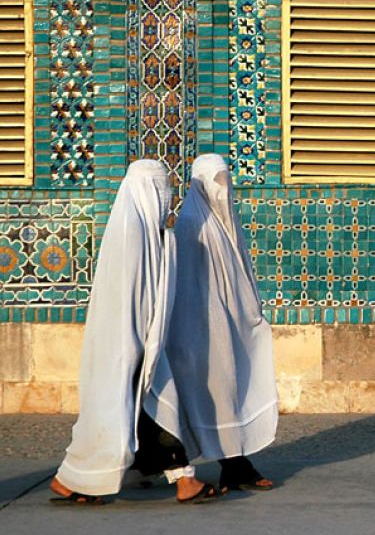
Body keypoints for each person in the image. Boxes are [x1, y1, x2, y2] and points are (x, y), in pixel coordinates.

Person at [51, 160, 221, 505]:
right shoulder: (131, 234)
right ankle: (183, 480)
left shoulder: (149, 233)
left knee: (126, 412)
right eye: (160, 190)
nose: (166, 199)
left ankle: (72, 480)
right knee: (155, 407)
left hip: (139, 344)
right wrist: (138, 347)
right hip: (132, 346)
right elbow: (130, 300)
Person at [145, 153, 277, 491]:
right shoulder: (191, 223)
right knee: (212, 397)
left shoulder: (226, 221)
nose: (224, 189)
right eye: (217, 182)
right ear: (201, 184)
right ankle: (228, 466)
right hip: (198, 334)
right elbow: (189, 288)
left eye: (226, 180)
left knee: (228, 394)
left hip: (225, 329)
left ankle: (235, 466)